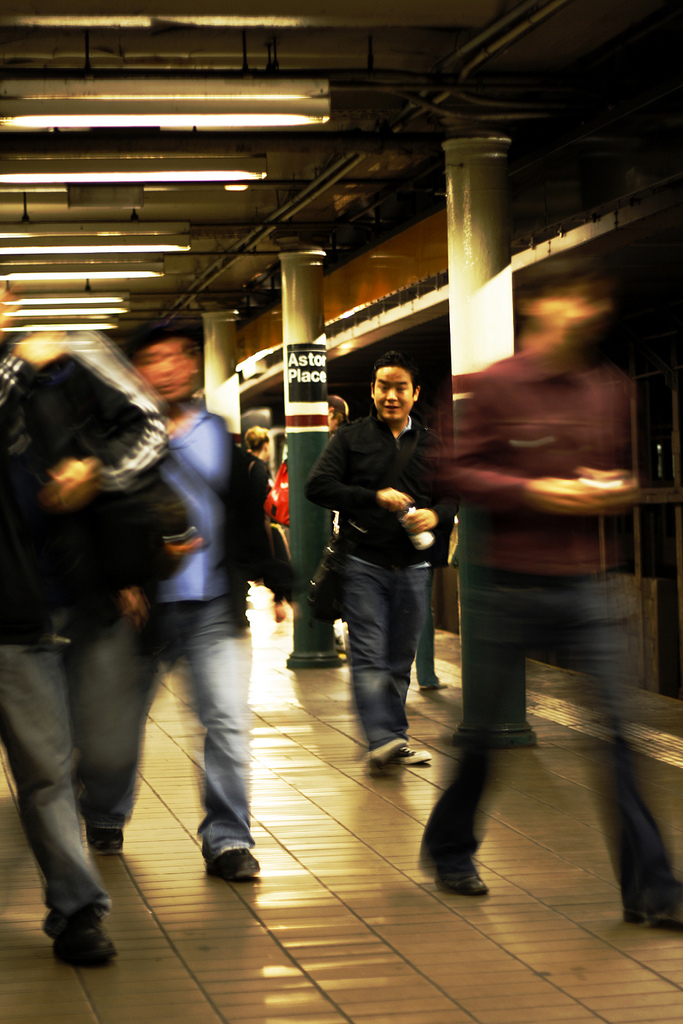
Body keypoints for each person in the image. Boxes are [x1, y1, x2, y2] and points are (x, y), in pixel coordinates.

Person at [421, 256, 683, 923]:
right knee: (480, 732)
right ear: (539, 309)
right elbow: (454, 470)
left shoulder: (608, 388)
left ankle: (651, 889)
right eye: (575, 298)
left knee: (619, 735)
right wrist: (534, 490)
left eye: (596, 301)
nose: (589, 312)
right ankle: (449, 845)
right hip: (506, 586)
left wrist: (615, 489)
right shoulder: (487, 388)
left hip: (589, 587)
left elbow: (621, 473)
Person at [0, 317, 169, 963]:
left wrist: (96, 472)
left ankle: (78, 896)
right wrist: (17, 371)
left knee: (82, 759)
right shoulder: (21, 370)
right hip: (13, 612)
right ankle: (77, 910)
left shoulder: (69, 360)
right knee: (46, 770)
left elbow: (147, 427)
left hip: (68, 601)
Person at [103, 321, 261, 882]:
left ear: (194, 365)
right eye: (154, 357)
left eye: (180, 355)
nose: (169, 366)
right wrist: (119, 578)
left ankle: (228, 839)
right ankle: (104, 813)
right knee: (117, 727)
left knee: (226, 720)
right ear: (133, 371)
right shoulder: (113, 434)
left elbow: (243, 513)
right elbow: (101, 519)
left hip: (212, 606)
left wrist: (268, 579)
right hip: (138, 611)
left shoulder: (219, 433)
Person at [305, 351, 458, 772]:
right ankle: (383, 738)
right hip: (362, 564)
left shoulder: (431, 443)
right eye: (383, 387)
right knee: (369, 653)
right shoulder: (350, 439)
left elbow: (450, 495)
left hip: (413, 567)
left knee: (399, 657)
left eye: (400, 388)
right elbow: (316, 486)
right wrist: (373, 497)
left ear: (415, 393)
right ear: (372, 391)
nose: (391, 396)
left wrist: (437, 515)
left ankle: (393, 737)